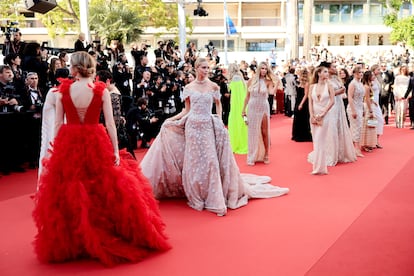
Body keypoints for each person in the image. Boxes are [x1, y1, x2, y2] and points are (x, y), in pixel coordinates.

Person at [33, 52, 170, 266]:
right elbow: (111, 124)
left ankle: (77, 238)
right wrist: (115, 150)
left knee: (71, 187)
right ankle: (107, 230)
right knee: (103, 185)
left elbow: (58, 124)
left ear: (76, 67)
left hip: (69, 140)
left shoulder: (63, 91)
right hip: (95, 138)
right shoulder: (100, 90)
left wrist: (56, 149)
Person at [140, 57, 289, 216]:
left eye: (207, 68)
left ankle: (213, 196)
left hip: (207, 127)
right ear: (196, 68)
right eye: (203, 67)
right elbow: (186, 110)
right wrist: (170, 120)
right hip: (192, 127)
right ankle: (196, 192)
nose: (206, 70)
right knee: (194, 162)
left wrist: (218, 120)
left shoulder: (214, 86)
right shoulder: (189, 87)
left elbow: (218, 105)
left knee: (210, 160)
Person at [242, 61, 279, 165]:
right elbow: (247, 97)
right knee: (252, 132)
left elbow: (272, 92)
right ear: (259, 69)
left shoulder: (268, 81)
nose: (264, 70)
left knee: (264, 131)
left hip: (263, 107)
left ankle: (266, 154)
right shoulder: (251, 81)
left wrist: (276, 83)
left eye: (265, 69)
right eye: (262, 68)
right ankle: (252, 155)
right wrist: (243, 110)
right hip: (252, 107)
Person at [307, 66, 335, 175]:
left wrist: (323, 113)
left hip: (324, 116)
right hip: (314, 116)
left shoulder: (329, 86)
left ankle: (319, 168)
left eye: (327, 72)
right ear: (319, 73)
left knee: (320, 140)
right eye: (325, 71)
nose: (327, 73)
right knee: (315, 140)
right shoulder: (312, 86)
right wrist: (311, 115)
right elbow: (310, 102)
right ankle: (319, 167)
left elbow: (332, 101)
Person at [227, 63, 248, 154]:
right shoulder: (240, 78)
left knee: (236, 122)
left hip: (237, 105)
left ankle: (237, 144)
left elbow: (234, 93)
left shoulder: (235, 79)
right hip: (241, 104)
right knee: (243, 123)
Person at [347, 66, 365, 157]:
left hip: (360, 107)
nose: (361, 74)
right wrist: (353, 110)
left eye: (362, 72)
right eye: (359, 72)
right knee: (355, 127)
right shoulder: (352, 84)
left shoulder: (360, 84)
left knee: (359, 127)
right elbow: (349, 97)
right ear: (354, 74)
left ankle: (354, 147)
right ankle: (356, 148)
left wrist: (363, 109)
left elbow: (363, 98)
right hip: (353, 107)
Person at [291, 68, 312, 142]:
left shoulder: (307, 84)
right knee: (297, 117)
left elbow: (306, 95)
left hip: (303, 102)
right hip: (298, 100)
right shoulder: (299, 83)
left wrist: (301, 104)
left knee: (303, 118)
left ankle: (303, 135)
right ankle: (297, 134)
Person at [360, 71, 378, 152]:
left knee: (371, 124)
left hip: (370, 105)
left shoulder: (369, 85)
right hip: (367, 107)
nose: (374, 76)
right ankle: (365, 144)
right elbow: (366, 98)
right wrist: (370, 110)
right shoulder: (366, 87)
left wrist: (373, 102)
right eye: (372, 75)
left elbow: (369, 97)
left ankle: (369, 143)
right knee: (367, 124)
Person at [371, 64, 385, 146]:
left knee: (379, 121)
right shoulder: (370, 80)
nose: (379, 71)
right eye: (378, 69)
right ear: (374, 70)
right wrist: (371, 100)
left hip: (377, 102)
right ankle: (372, 141)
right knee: (372, 122)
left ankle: (376, 140)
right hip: (372, 103)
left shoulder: (377, 79)